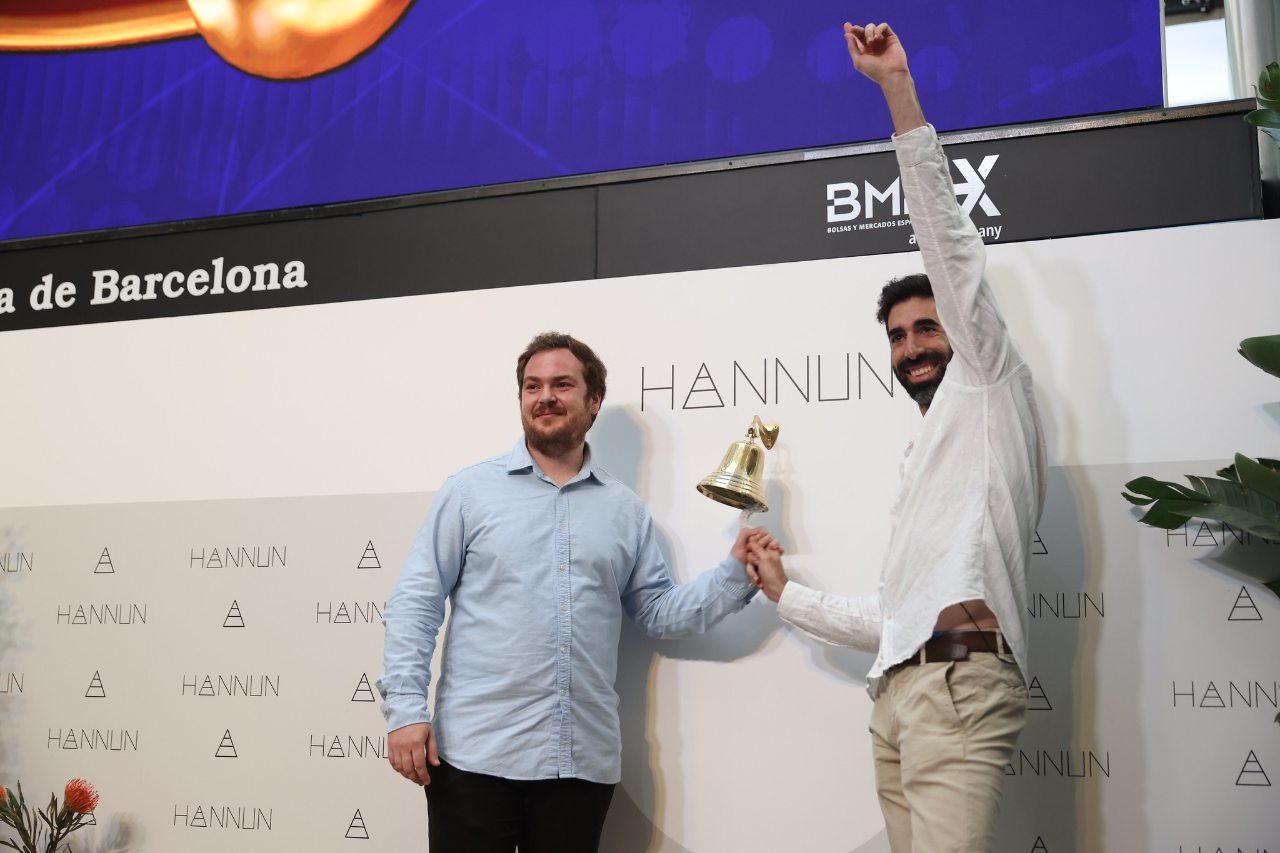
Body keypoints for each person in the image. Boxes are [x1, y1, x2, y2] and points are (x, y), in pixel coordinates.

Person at [746, 22, 1047, 853]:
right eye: (898, 336)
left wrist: (896, 90)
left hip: (957, 684)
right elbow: (893, 616)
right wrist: (785, 593)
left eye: (926, 327)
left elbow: (949, 248)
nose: (912, 346)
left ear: (960, 329)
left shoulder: (988, 381)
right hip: (899, 696)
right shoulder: (929, 455)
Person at [377, 331, 776, 853]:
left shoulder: (625, 511)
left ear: (594, 401)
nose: (545, 397)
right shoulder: (469, 493)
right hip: (473, 757)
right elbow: (416, 602)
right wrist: (406, 710)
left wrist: (734, 572)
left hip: (579, 763)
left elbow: (658, 613)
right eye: (533, 386)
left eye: (562, 385)